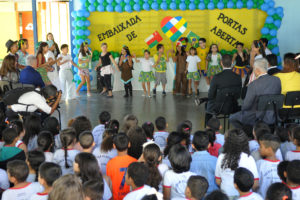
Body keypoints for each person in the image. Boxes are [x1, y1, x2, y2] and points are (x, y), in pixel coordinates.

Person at [229, 58, 281, 128]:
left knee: (232, 118)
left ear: (257, 70)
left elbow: (246, 106)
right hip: (272, 115)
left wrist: (242, 108)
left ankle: (248, 134)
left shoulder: (253, 84)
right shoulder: (277, 80)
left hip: (256, 117)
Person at [215, 129, 259, 199]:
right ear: (245, 142)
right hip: (245, 196)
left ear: (227, 142)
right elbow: (255, 184)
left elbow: (218, 181)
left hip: (226, 195)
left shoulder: (221, 157)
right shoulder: (249, 158)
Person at [205, 54, 242, 124]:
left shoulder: (216, 77)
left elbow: (210, 95)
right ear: (232, 63)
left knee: (208, 103)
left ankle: (209, 128)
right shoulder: (238, 77)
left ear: (221, 63)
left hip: (218, 108)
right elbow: (238, 95)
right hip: (233, 107)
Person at [106, 132, 137, 200]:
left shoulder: (110, 163)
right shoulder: (134, 161)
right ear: (129, 144)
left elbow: (109, 183)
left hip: (116, 197)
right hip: (132, 197)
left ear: (114, 146)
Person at [256, 134, 281, 198]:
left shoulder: (259, 164)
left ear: (269, 149)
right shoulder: (281, 165)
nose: (259, 149)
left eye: (261, 146)